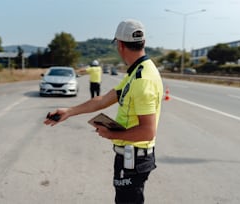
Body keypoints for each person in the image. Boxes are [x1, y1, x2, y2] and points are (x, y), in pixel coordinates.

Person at [44, 19, 163, 204]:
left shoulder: (143, 79)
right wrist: (69, 111)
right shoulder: (137, 71)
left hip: (134, 159)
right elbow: (104, 99)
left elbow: (148, 132)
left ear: (120, 45)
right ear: (144, 42)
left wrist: (110, 133)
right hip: (129, 156)